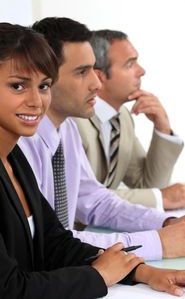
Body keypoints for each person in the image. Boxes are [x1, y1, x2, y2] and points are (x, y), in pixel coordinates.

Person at [19, 17, 185, 261]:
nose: (97, 83)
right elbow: (48, 241)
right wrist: (158, 242)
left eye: (94, 69)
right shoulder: (20, 144)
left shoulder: (66, 130)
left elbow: (96, 201)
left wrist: (166, 222)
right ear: (43, 77)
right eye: (82, 72)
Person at [74, 29, 185, 209]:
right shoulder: (73, 120)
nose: (141, 71)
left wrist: (162, 128)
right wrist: (161, 198)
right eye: (129, 64)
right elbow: (81, 196)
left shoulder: (122, 118)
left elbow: (146, 185)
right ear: (99, 76)